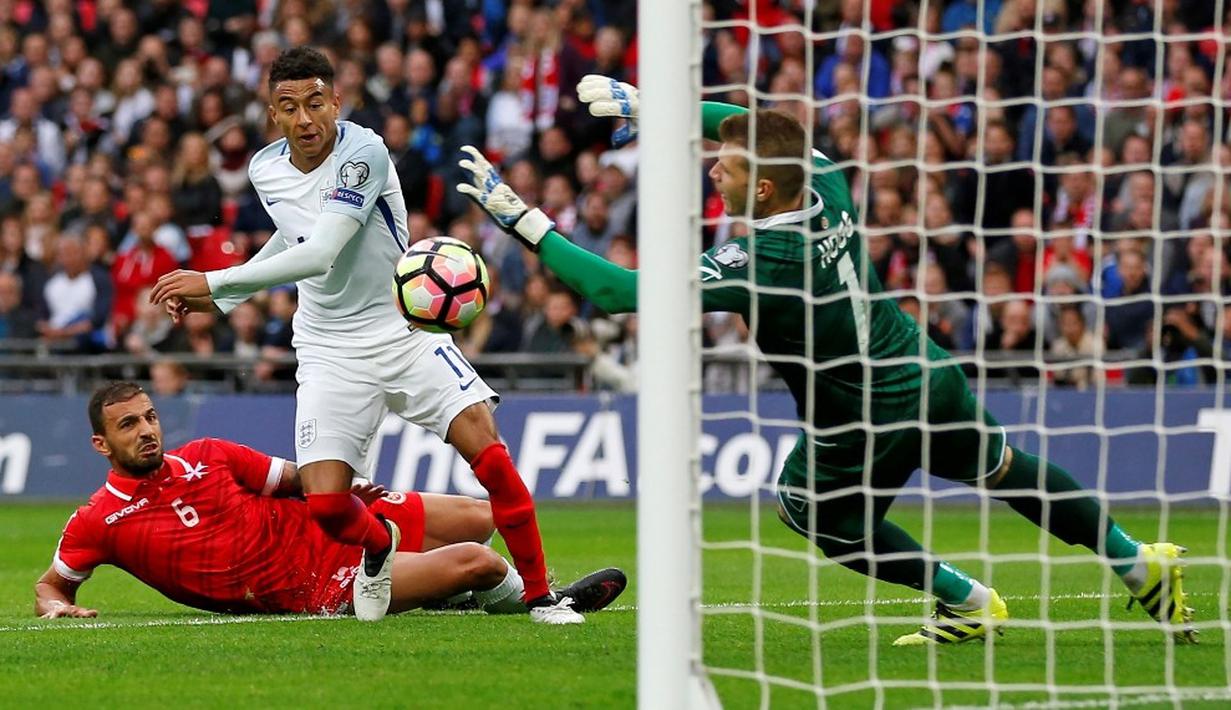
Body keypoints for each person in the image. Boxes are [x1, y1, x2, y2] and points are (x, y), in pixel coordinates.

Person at [457, 74, 1195, 645]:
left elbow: (616, 291)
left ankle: (966, 600)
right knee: (1004, 470)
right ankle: (1136, 561)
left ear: (765, 187)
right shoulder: (822, 175)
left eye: (727, 168)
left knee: (808, 509)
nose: (714, 170)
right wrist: (652, 105)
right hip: (921, 370)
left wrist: (524, 222)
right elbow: (754, 128)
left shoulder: (761, 256)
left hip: (854, 420)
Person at [147, 48, 581, 624]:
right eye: (289, 107)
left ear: (335, 103)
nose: (305, 120)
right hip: (328, 347)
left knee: (491, 456)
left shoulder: (363, 152)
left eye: (315, 104)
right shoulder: (264, 169)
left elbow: (325, 250)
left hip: (405, 329)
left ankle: (540, 597)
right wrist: (225, 296)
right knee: (327, 503)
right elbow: (295, 237)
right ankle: (378, 548)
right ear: (272, 114)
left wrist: (215, 278)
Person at [34, 382, 626, 620]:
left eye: (150, 417)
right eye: (129, 424)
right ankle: (530, 599)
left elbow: (295, 480)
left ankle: (457, 596)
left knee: (483, 515)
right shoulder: (99, 520)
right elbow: (51, 586)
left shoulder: (207, 453)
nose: (146, 430)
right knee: (481, 559)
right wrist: (57, 606)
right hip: (318, 583)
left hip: (336, 524)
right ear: (100, 443)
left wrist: (345, 485)